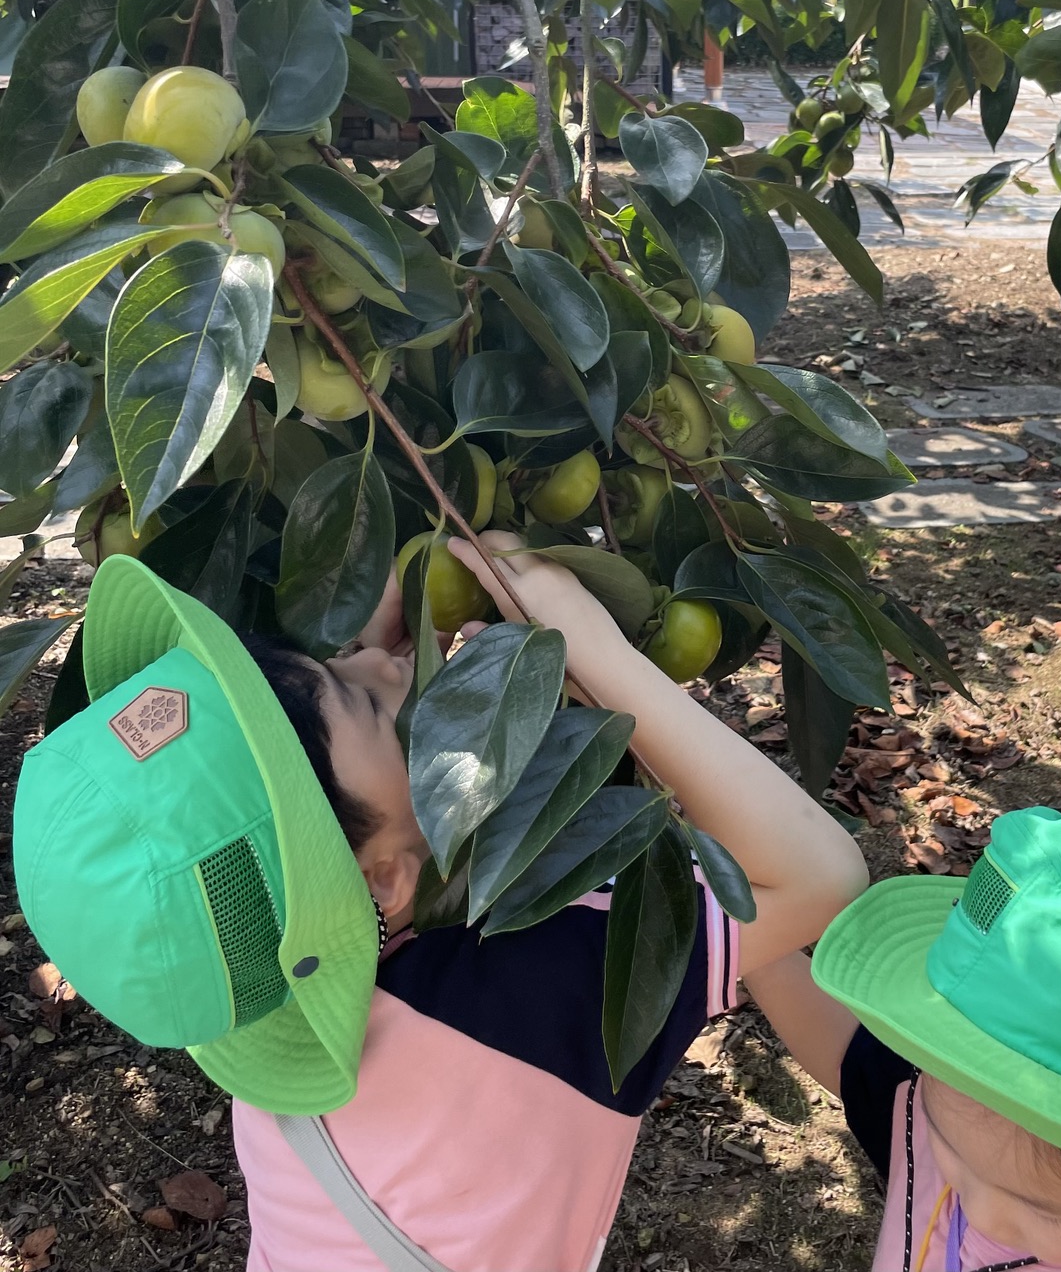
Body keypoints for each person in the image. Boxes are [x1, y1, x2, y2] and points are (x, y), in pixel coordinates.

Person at [14, 530, 868, 1272]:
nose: (379, 658)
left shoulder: (268, 987)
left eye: (343, 657)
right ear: (380, 877)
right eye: (371, 697)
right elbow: (817, 877)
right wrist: (596, 654)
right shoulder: (539, 987)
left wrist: (377, 682)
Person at [744, 805, 1061, 1272]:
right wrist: (746, 933)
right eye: (952, 1156)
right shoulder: (943, 1105)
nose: (979, 1214)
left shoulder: (978, 1136)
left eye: (1042, 1212)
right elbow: (852, 1063)